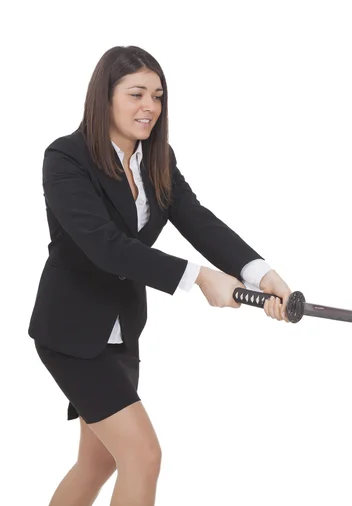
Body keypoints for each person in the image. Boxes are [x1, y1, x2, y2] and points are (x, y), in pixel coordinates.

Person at [27, 45, 292, 506]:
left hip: (122, 332)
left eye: (157, 96)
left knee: (99, 462)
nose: (149, 106)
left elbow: (197, 219)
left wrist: (261, 273)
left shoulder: (157, 157)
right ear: (104, 98)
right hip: (70, 333)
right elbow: (105, 246)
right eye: (135, 94)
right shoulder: (65, 158)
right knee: (142, 456)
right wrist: (201, 279)